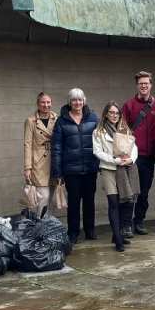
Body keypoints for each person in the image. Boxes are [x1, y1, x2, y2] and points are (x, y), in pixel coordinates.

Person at [51, 88, 100, 245]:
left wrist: (100, 163)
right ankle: (73, 232)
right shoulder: (62, 120)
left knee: (89, 201)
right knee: (73, 202)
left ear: (84, 101)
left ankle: (90, 230)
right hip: (71, 170)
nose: (77, 103)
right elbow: (57, 148)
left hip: (90, 168)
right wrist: (57, 172)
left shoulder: (93, 117)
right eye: (74, 100)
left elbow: (101, 142)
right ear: (69, 102)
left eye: (79, 100)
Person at [93, 102, 139, 252]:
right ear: (106, 114)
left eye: (116, 113)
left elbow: (134, 147)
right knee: (113, 202)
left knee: (124, 202)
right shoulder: (98, 132)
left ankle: (117, 233)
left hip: (124, 169)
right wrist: (115, 160)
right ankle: (118, 239)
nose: (114, 115)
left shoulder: (125, 130)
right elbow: (97, 152)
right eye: (111, 112)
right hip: (108, 169)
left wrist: (131, 159)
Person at [122, 71, 155, 236]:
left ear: (151, 85)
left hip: (149, 157)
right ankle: (126, 224)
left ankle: (139, 221)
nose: (144, 86)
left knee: (144, 191)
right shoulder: (128, 106)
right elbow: (122, 131)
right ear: (137, 85)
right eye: (141, 83)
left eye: (147, 83)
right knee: (130, 192)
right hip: (132, 157)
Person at [23, 92, 58, 215]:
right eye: (43, 102)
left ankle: (48, 225)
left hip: (54, 161)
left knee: (53, 196)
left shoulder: (56, 118)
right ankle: (40, 223)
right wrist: (27, 167)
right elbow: (27, 144)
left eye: (48, 102)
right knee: (43, 196)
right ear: (38, 104)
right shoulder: (30, 121)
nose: (46, 105)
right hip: (38, 163)